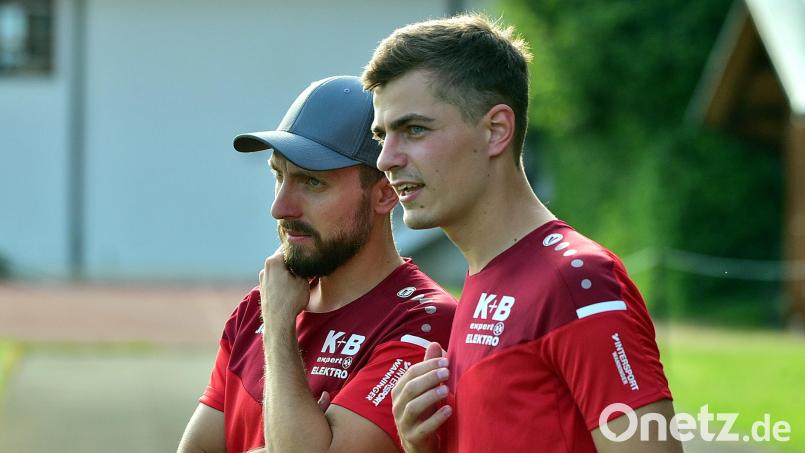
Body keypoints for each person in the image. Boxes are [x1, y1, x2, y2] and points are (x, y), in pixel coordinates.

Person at [363, 14, 681, 453]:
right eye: (383, 136)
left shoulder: (578, 280)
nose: (386, 159)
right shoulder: (484, 275)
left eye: (414, 129)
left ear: (496, 131)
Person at [177, 75, 456, 453]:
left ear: (384, 193)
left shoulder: (424, 322)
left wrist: (278, 327)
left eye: (311, 183)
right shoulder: (253, 311)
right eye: (279, 176)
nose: (280, 207)